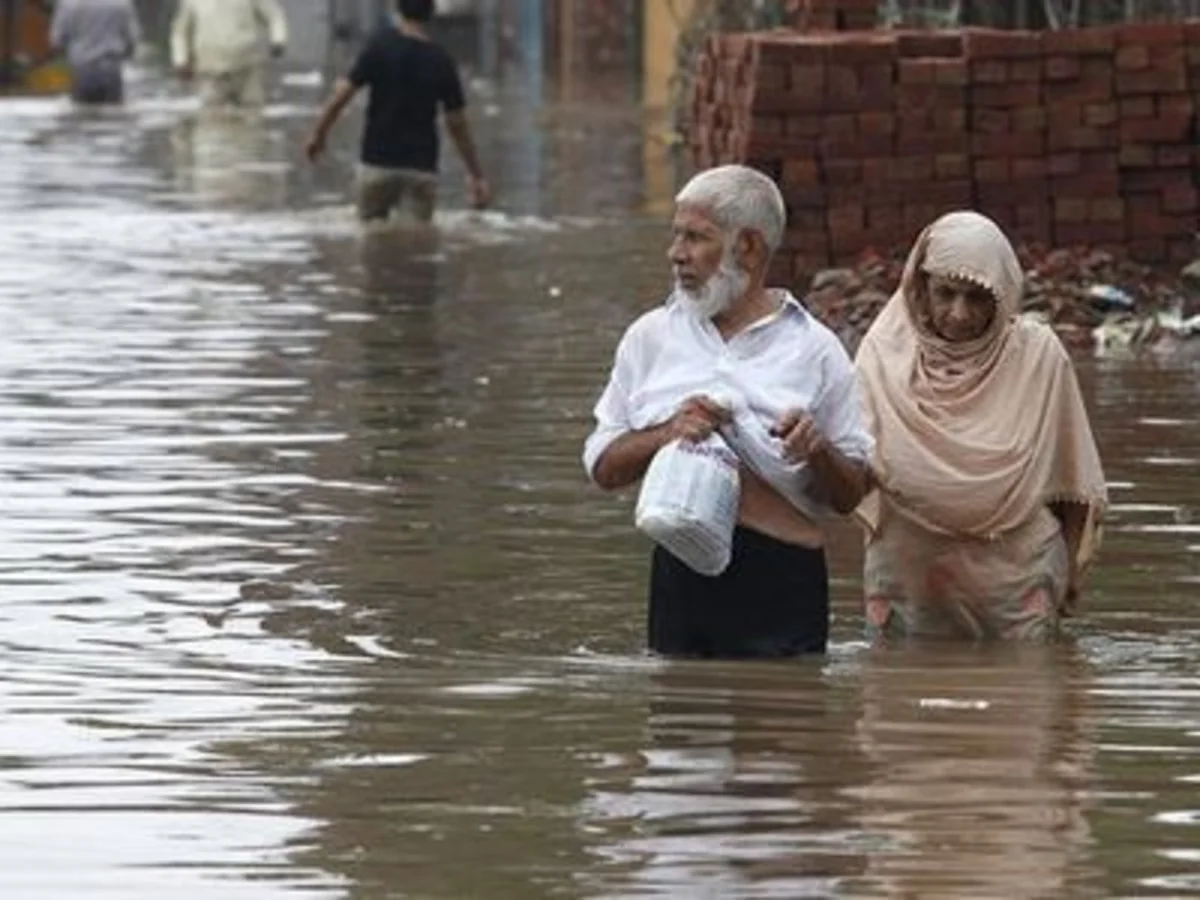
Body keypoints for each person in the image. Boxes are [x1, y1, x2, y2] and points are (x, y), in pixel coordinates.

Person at [582, 164, 873, 659]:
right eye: (676, 236)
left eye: (696, 238)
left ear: (749, 247)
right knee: (679, 719)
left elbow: (851, 496)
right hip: (679, 575)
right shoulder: (650, 337)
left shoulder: (816, 350)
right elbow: (603, 468)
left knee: (784, 725)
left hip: (784, 576)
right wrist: (667, 433)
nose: (676, 254)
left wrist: (817, 449)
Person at [854, 210, 1108, 642]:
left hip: (1016, 578)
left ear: (1004, 296)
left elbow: (1070, 479)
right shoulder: (883, 356)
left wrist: (1070, 579)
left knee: (1024, 700)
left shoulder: (1037, 357)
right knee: (896, 698)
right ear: (920, 289)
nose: (958, 313)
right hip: (909, 579)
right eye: (945, 294)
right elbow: (850, 475)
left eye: (977, 297)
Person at [304, 0, 490, 222]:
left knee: (371, 243)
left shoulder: (378, 47)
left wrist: (318, 135)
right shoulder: (441, 61)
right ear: (431, 14)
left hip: (377, 165)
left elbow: (341, 97)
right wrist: (475, 173)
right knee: (417, 244)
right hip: (420, 170)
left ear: (397, 8)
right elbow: (457, 123)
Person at [169, 0, 288, 109]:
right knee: (213, 117)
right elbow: (180, 32)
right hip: (210, 71)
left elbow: (274, 16)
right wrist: (181, 61)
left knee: (251, 111)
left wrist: (278, 40)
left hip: (248, 68)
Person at [50, 0, 140, 105]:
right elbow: (131, 41)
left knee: (81, 115)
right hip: (110, 69)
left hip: (82, 71)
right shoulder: (121, 4)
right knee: (113, 116)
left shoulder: (68, 4)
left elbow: (57, 42)